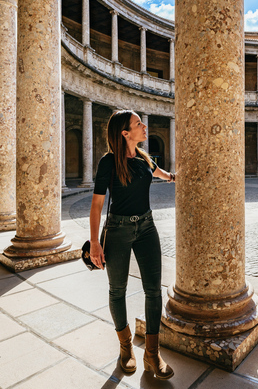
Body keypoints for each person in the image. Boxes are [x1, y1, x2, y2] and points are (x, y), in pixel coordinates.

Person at [89, 110, 175, 380]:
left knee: (154, 290)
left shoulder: (143, 157)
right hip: (118, 230)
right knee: (118, 290)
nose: (144, 126)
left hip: (147, 227)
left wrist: (174, 177)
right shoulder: (108, 162)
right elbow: (97, 204)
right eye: (139, 124)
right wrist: (94, 243)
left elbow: (159, 172)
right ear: (125, 133)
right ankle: (126, 348)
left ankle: (152, 353)